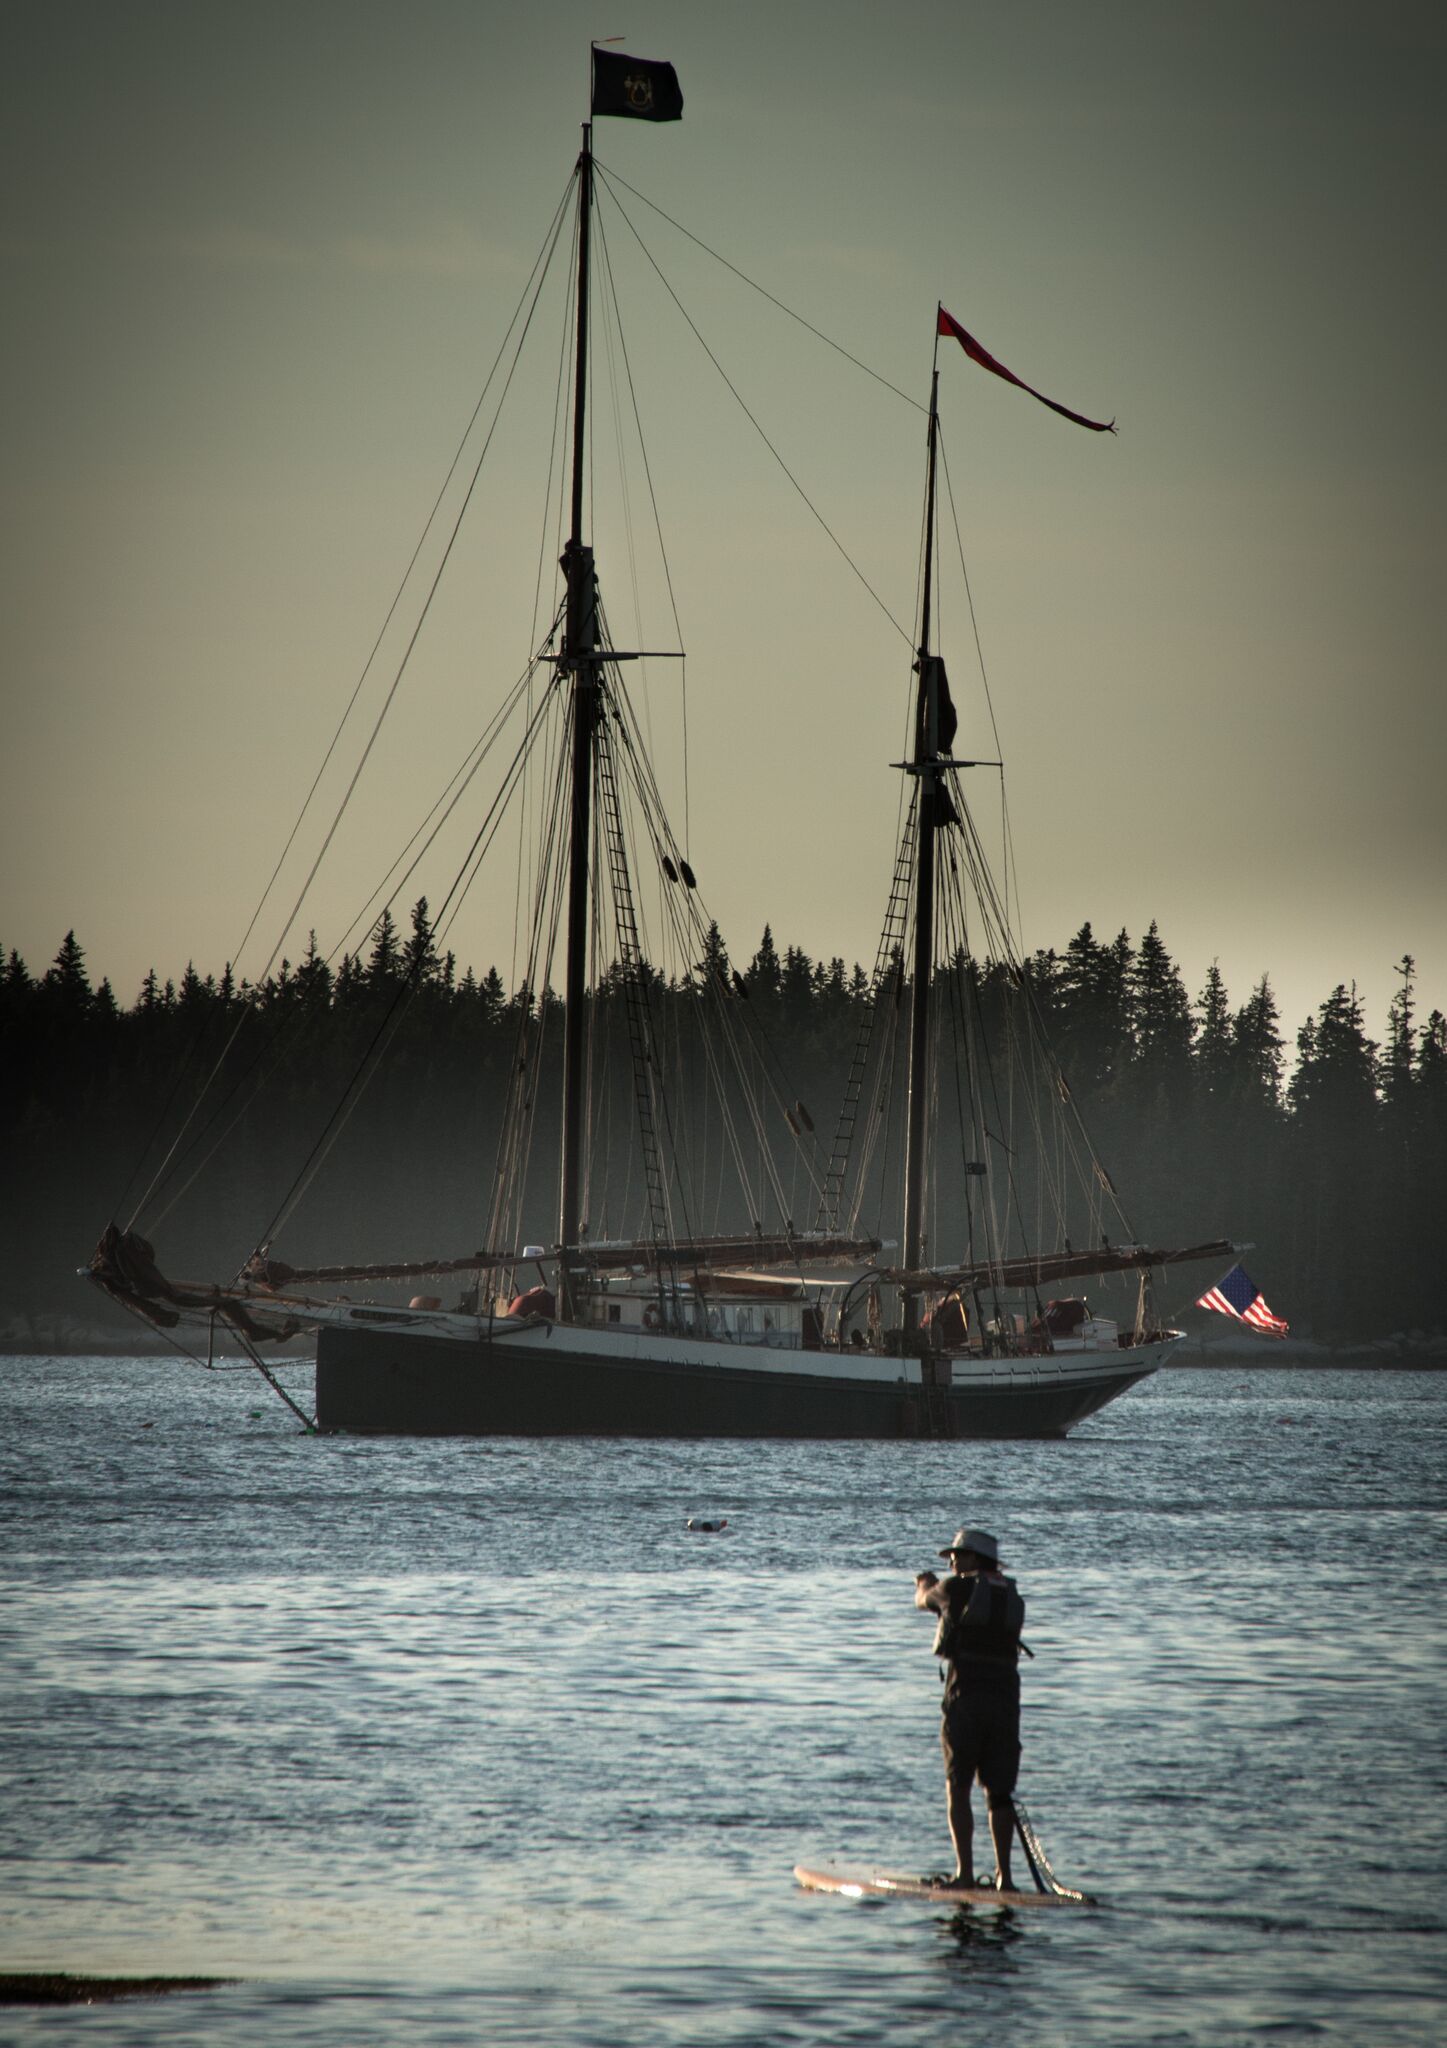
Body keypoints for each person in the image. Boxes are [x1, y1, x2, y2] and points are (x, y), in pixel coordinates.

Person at [914, 1526, 1025, 1890]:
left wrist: (924, 1583)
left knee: (958, 1785)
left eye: (957, 1556)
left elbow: (925, 1599)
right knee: (1000, 1792)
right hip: (1006, 1700)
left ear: (974, 1559)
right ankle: (1005, 1879)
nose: (951, 1561)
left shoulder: (953, 1587)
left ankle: (964, 1874)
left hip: (966, 1698)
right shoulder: (1011, 1595)